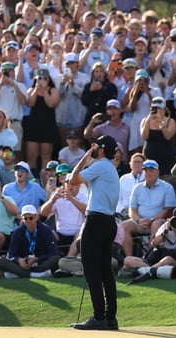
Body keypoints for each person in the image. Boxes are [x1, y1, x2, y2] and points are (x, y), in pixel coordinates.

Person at [68, 135, 119, 330]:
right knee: (105, 271)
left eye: (96, 145)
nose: (93, 147)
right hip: (108, 221)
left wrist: (86, 157)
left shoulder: (101, 165)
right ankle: (110, 317)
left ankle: (98, 317)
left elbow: (73, 180)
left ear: (102, 149)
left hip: (96, 221)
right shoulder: (110, 168)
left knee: (91, 270)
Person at [120, 160, 176, 256]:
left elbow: (167, 210)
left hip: (159, 221)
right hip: (140, 222)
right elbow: (132, 210)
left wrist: (151, 220)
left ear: (158, 172)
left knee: (156, 224)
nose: (148, 173)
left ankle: (149, 258)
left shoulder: (167, 187)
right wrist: (139, 220)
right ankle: (129, 259)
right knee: (124, 226)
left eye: (151, 170)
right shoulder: (137, 188)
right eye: (145, 171)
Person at [122, 207, 176, 278]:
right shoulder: (166, 227)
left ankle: (142, 271)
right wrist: (165, 232)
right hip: (159, 259)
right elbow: (153, 244)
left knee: (168, 259)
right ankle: (150, 271)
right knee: (127, 260)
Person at [0, 205, 60, 279]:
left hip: (40, 261)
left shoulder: (46, 230)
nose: (28, 220)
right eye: (25, 218)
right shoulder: (18, 232)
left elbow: (53, 252)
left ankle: (19, 273)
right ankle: (35, 274)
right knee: (1, 262)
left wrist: (37, 259)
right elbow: (11, 254)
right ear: (22, 219)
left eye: (31, 218)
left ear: (36, 217)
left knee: (56, 258)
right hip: (23, 262)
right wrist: (19, 260)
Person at [39, 179, 88, 256]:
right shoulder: (58, 196)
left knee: (81, 234)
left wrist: (71, 199)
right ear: (64, 184)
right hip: (60, 234)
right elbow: (43, 213)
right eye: (68, 183)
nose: (70, 185)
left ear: (79, 185)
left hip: (78, 235)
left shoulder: (84, 197)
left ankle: (67, 259)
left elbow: (87, 211)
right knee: (44, 231)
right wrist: (52, 200)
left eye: (73, 183)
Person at [141, 97, 176, 176]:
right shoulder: (145, 120)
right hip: (150, 157)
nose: (156, 110)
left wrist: (161, 121)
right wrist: (148, 120)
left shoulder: (170, 121)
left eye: (158, 108)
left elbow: (168, 136)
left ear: (164, 109)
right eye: (154, 108)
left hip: (165, 159)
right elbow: (144, 136)